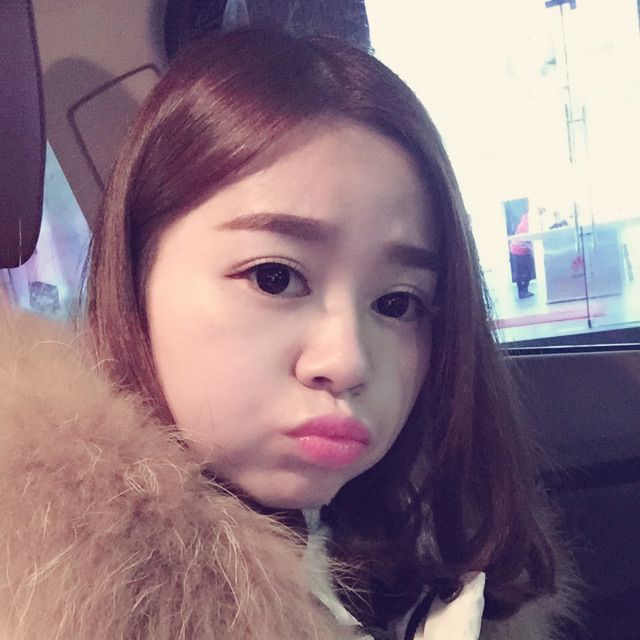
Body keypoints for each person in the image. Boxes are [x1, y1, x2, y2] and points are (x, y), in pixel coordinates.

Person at [0, 28, 577, 639]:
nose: (348, 361)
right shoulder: (42, 585)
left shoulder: (430, 539)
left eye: (397, 303)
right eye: (273, 278)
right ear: (136, 273)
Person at [509, 212, 535, 299]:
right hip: (520, 250)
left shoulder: (524, 223)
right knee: (526, 272)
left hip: (516, 250)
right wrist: (532, 252)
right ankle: (523, 292)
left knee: (521, 272)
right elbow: (527, 241)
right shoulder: (526, 226)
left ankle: (522, 291)